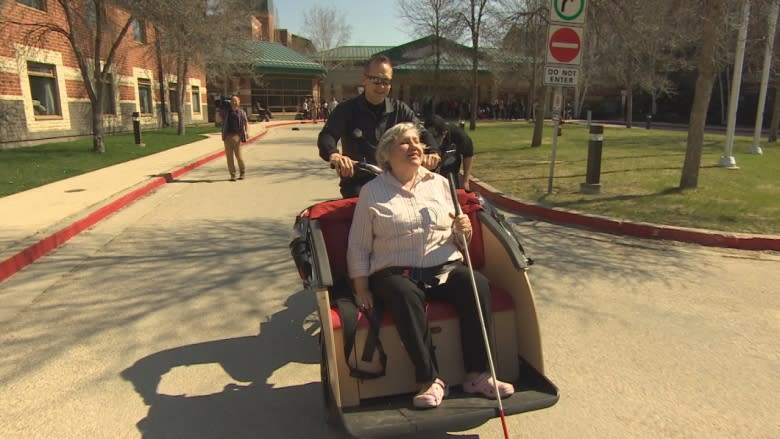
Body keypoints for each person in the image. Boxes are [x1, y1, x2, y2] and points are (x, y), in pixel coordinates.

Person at [347, 122, 515, 409]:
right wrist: (361, 287)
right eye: (405, 142)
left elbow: (459, 238)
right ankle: (429, 380)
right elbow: (359, 245)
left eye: (417, 141)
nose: (415, 146)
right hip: (395, 272)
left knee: (475, 284)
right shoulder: (372, 192)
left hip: (442, 266)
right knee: (403, 292)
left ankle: (478, 374)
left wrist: (464, 229)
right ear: (387, 154)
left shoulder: (440, 184)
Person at [317, 55, 440, 198]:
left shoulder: (400, 110)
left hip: (395, 181)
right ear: (365, 79)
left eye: (386, 81)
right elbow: (327, 135)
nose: (381, 86)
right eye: (376, 80)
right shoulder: (346, 110)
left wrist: (433, 152)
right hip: (359, 183)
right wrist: (335, 155)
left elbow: (422, 132)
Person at [425, 115, 475, 191]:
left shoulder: (458, 136)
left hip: (451, 170)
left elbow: (468, 155)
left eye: (435, 137)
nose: (431, 142)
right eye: (429, 137)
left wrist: (465, 181)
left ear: (444, 134)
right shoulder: (419, 137)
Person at [220, 94, 248, 181]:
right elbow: (218, 119)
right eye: (232, 101)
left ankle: (242, 172)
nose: (234, 102)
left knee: (239, 157)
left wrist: (246, 132)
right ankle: (233, 175)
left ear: (239, 102)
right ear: (230, 102)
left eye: (236, 101)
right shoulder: (226, 112)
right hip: (227, 136)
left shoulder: (241, 112)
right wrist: (218, 109)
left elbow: (245, 122)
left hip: (237, 137)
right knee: (229, 157)